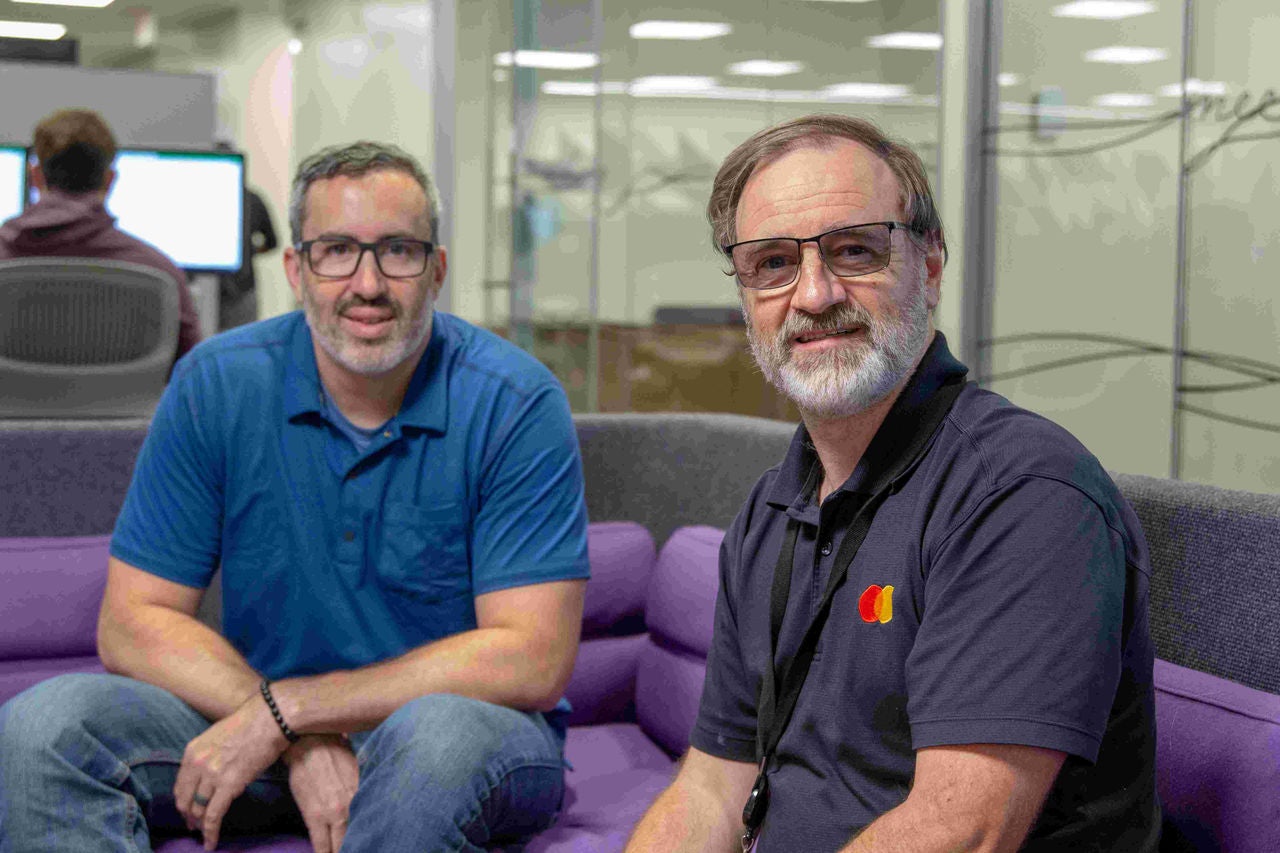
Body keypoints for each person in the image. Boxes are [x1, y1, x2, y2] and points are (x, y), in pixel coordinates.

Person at [0, 141, 590, 853]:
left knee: (431, 738)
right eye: (336, 250)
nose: (367, 283)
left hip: (463, 739)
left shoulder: (515, 402)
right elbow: (133, 622)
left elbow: (531, 656)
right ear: (295, 269)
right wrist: (292, 736)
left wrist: (294, 709)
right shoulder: (216, 383)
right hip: (258, 717)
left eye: (397, 251)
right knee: (44, 727)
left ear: (435, 269)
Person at [625, 114, 1162, 852]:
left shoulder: (1022, 495)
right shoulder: (774, 506)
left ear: (931, 265)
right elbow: (710, 789)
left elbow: (960, 832)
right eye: (773, 263)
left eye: (854, 250)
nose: (813, 294)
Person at [0, 108, 200, 360]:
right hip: (127, 401)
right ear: (110, 180)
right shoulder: (160, 272)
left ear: (35, 177)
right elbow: (190, 371)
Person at [215, 140, 279, 331]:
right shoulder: (253, 198)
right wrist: (249, 251)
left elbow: (273, 241)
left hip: (235, 289)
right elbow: (272, 242)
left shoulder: (251, 200)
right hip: (240, 287)